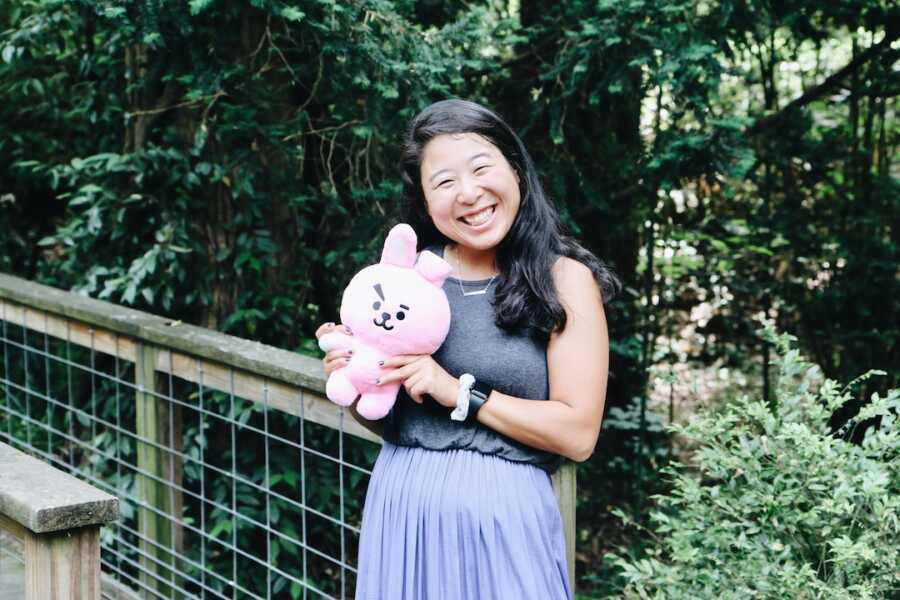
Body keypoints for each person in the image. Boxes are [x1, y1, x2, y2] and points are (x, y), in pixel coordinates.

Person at [315, 99, 619, 600]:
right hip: (403, 507)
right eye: (444, 182)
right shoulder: (408, 278)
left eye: (481, 168)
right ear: (426, 201)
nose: (469, 194)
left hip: (507, 519)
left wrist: (456, 392)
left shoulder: (563, 280)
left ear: (515, 169)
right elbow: (392, 422)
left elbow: (578, 434)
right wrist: (358, 381)